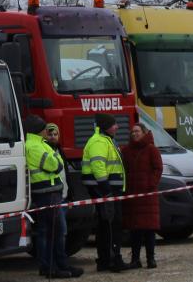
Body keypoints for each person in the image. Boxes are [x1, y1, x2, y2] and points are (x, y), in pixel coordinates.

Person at [24, 115, 82, 278]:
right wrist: (55, 160)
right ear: (38, 130)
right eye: (43, 129)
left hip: (50, 192)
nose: (46, 131)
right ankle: (51, 268)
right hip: (46, 193)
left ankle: (59, 265)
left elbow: (57, 162)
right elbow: (56, 165)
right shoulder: (35, 146)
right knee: (52, 232)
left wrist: (55, 159)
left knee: (52, 232)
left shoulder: (39, 144)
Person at [81, 114, 126, 271]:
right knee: (110, 225)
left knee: (108, 225)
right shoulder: (99, 141)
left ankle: (107, 259)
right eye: (114, 124)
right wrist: (105, 188)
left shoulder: (106, 140)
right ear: (106, 126)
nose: (117, 127)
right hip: (104, 190)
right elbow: (98, 165)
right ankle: (112, 261)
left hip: (107, 189)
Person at [121, 124, 162, 269]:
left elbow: (158, 168)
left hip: (147, 195)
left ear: (144, 133)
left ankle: (151, 259)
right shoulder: (126, 150)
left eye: (137, 131)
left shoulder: (151, 149)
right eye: (132, 132)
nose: (134, 134)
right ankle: (135, 259)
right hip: (132, 195)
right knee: (135, 230)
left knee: (149, 229)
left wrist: (151, 184)